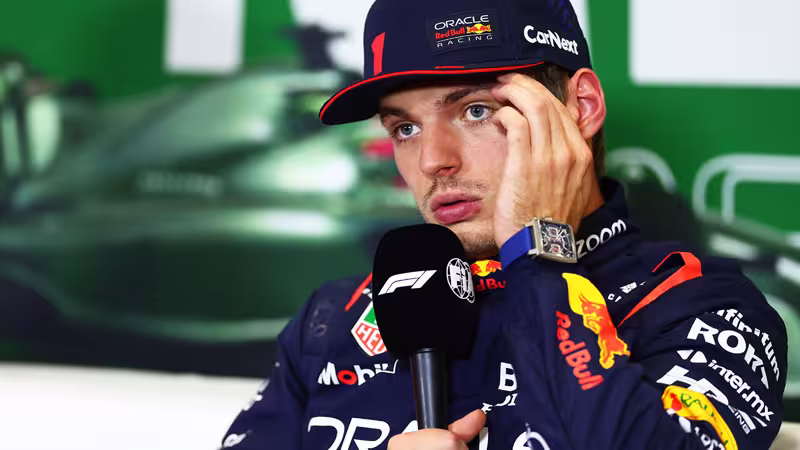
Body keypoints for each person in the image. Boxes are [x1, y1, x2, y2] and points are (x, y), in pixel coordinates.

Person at [221, 0, 787, 448]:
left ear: (581, 108)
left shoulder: (698, 307)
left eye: (475, 111)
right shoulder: (334, 318)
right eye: (405, 129)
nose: (432, 161)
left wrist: (539, 250)